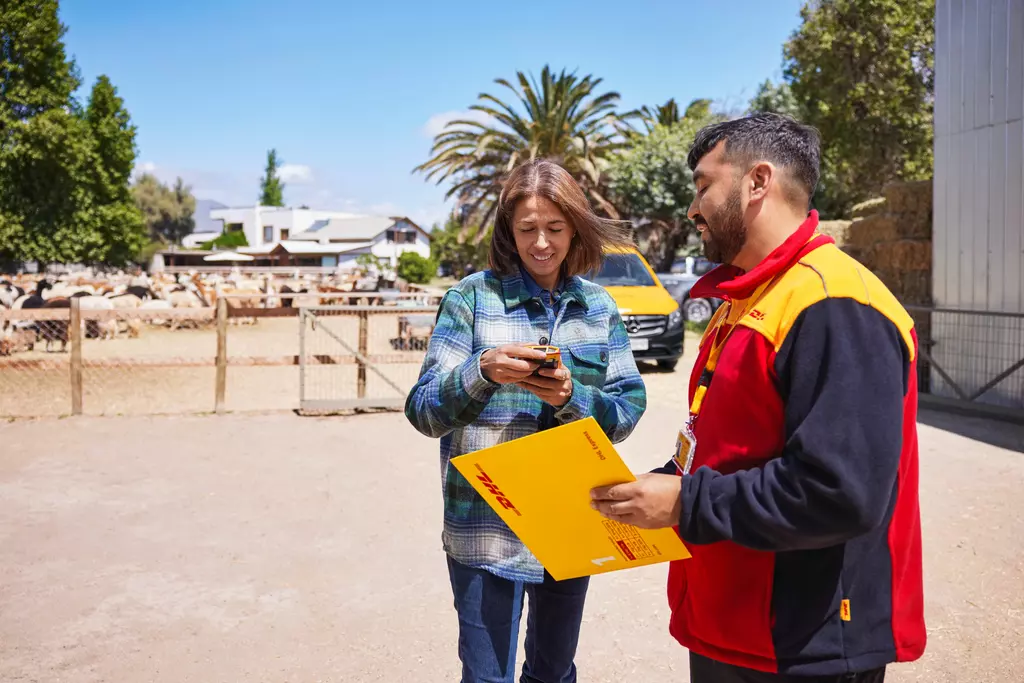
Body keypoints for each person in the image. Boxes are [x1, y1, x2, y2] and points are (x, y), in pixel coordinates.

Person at [590, 113, 926, 682]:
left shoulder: (835, 304)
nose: (692, 209)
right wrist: (654, 486)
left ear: (757, 181)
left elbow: (840, 494)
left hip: (805, 645)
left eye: (703, 185)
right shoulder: (744, 300)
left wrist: (686, 503)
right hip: (733, 631)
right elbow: (725, 444)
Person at [406, 159, 647, 683]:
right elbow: (423, 411)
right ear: (507, 231)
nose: (541, 243)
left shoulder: (598, 307)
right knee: (486, 677)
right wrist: (482, 371)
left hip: (571, 524)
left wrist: (573, 397)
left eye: (555, 228)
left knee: (553, 674)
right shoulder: (470, 299)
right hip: (485, 527)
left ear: (575, 228)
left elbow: (627, 408)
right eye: (527, 229)